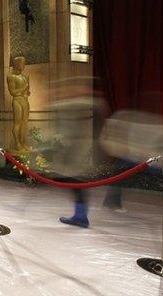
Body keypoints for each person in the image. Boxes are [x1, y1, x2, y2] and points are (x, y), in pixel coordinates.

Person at [51, 77, 109, 228]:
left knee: (76, 181)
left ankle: (81, 216)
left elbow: (97, 104)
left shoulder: (80, 103)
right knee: (74, 182)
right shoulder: (77, 104)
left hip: (77, 152)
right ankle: (80, 215)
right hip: (72, 152)